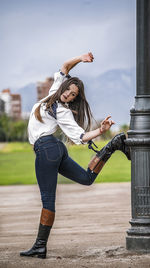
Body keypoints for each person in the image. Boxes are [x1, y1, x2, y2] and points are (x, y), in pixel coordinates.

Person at [20, 52, 130, 259]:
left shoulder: (62, 111)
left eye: (73, 96)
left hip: (47, 150)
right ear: (63, 87)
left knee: (47, 200)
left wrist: (100, 130)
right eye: (68, 91)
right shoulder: (53, 92)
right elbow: (65, 66)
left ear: (74, 99)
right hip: (54, 149)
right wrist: (81, 58)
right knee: (86, 179)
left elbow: (80, 137)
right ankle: (113, 145)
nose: (69, 96)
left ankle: (40, 247)